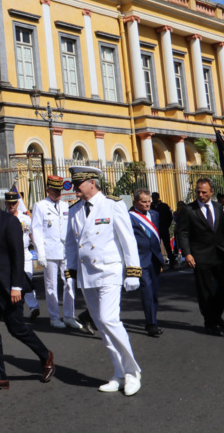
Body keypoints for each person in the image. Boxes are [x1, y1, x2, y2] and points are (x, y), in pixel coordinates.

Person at [65, 166, 142, 396]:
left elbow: (127, 239)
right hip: (87, 273)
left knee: (109, 319)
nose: (76, 189)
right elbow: (70, 243)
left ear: (91, 182)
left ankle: (132, 372)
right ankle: (118, 373)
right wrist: (70, 271)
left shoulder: (113, 204)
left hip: (109, 270)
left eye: (79, 184)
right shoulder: (75, 210)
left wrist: (133, 270)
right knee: (101, 325)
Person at [0, 181, 55, 392]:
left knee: (16, 328)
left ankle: (45, 355)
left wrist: (17, 286)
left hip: (8, 287)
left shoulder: (9, 221)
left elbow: (17, 255)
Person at [175, 178, 224, 336]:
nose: (200, 195)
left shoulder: (217, 207)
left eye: (204, 192)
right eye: (198, 192)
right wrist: (187, 253)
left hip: (220, 254)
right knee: (205, 291)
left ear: (211, 192)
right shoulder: (189, 210)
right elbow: (183, 233)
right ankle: (210, 323)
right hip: (200, 255)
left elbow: (223, 231)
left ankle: (215, 315)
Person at [31, 175, 81, 329]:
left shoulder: (66, 206)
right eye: (54, 190)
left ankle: (69, 316)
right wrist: (41, 253)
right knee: (51, 285)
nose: (57, 193)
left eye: (59, 190)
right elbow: (36, 230)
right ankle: (54, 317)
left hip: (66, 252)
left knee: (69, 283)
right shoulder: (40, 206)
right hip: (50, 252)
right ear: (47, 190)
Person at [129, 188, 164, 337]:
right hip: (140, 259)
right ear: (136, 202)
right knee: (147, 290)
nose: (147, 204)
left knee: (154, 292)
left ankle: (152, 319)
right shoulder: (129, 217)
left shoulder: (155, 215)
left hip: (155, 259)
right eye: (143, 202)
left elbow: (157, 235)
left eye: (149, 201)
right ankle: (151, 324)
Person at [5, 190, 40, 317]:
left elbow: (32, 235)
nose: (11, 206)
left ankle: (33, 306)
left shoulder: (25, 219)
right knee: (11, 282)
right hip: (8, 255)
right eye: (9, 203)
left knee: (27, 281)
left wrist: (39, 251)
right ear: (5, 203)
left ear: (17, 203)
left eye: (14, 203)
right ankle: (14, 308)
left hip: (24, 254)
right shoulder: (2, 219)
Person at [152, 192, 176, 269]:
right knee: (155, 246)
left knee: (167, 246)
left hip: (163, 228)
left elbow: (170, 216)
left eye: (155, 197)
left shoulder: (164, 206)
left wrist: (166, 225)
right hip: (155, 229)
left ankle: (172, 261)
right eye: (153, 197)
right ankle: (157, 263)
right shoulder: (150, 206)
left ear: (158, 197)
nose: (154, 198)